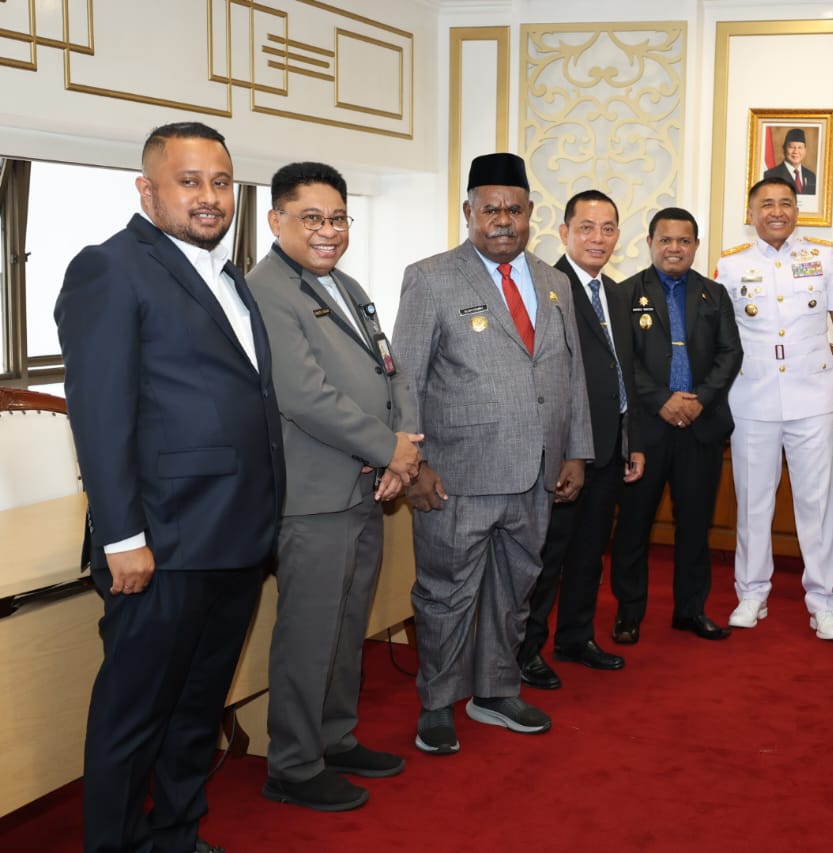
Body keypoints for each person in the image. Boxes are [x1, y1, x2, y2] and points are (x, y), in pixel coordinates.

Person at [55, 121, 285, 853]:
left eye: (221, 181)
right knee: (134, 718)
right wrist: (123, 536)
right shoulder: (109, 268)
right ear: (146, 189)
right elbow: (100, 414)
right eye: (189, 181)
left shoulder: (228, 274)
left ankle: (176, 835)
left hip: (236, 536)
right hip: (162, 542)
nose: (209, 196)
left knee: (195, 710)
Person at [393, 153, 592, 755]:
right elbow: (405, 378)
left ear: (530, 213)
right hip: (457, 473)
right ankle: (437, 702)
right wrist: (413, 464)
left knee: (516, 588)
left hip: (537, 472)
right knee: (446, 593)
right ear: (469, 212)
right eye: (490, 209)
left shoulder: (555, 282)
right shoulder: (431, 277)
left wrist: (576, 450)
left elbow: (572, 373)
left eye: (514, 209)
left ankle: (496, 690)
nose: (503, 219)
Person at [247, 162, 422, 811]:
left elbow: (391, 370)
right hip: (314, 495)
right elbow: (304, 396)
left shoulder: (345, 284)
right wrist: (389, 449)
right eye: (312, 218)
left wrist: (403, 448)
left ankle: (334, 736)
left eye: (338, 218)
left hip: (366, 485)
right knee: (310, 632)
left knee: (348, 626)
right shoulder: (266, 290)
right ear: (276, 220)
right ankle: (293, 765)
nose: (329, 230)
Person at [714, 177, 833, 640]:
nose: (776, 211)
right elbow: (717, 337)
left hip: (812, 398)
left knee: (816, 503)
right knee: (752, 502)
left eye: (785, 203)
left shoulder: (823, 258)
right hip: (751, 398)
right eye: (766, 204)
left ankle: (824, 602)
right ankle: (751, 593)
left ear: (797, 210)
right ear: (751, 213)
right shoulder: (730, 266)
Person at [518, 189, 644, 691]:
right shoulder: (545, 289)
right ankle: (525, 649)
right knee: (547, 557)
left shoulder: (615, 292)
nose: (598, 238)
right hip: (564, 450)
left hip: (608, 447)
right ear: (564, 232)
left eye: (608, 228)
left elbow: (624, 374)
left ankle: (574, 637)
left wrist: (631, 440)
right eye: (587, 227)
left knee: (591, 553)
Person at [609, 208, 743, 643]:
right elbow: (622, 359)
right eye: (665, 240)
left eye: (684, 241)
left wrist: (700, 399)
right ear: (650, 243)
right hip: (645, 431)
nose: (674, 248)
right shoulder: (625, 294)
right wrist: (662, 399)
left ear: (696, 246)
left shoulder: (713, 294)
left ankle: (690, 610)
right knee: (633, 527)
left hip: (701, 429)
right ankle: (629, 613)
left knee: (695, 526)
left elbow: (730, 353)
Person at [763, 128, 816, 195]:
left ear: (805, 150)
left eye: (800, 147)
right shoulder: (770, 175)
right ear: (784, 149)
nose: (796, 151)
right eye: (791, 147)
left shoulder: (811, 176)